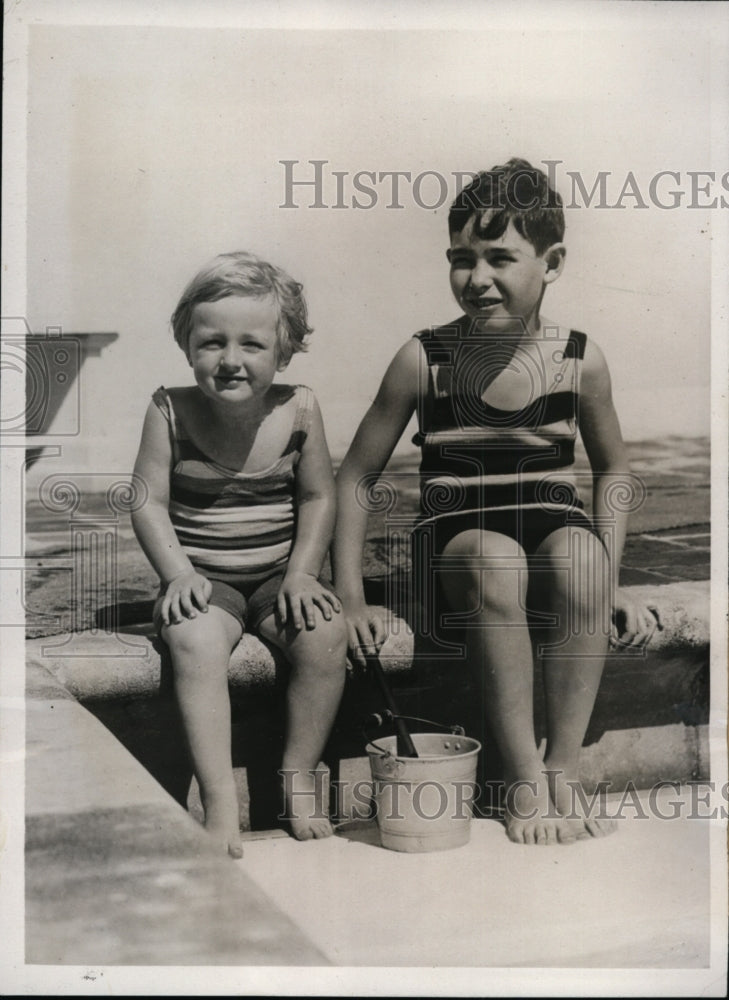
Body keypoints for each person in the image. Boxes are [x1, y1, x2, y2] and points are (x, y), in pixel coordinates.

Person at [333, 158, 659, 846]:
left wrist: (612, 577)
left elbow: (613, 469)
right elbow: (355, 475)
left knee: (581, 565)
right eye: (460, 258)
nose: (476, 278)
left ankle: (561, 767)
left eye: (499, 258)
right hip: (459, 534)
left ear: (552, 261)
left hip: (549, 519)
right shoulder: (423, 358)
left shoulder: (578, 359)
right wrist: (350, 596)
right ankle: (518, 776)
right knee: (493, 559)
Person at [131, 251, 347, 857]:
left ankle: (299, 777)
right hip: (205, 579)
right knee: (194, 641)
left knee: (327, 637)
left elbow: (318, 494)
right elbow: (146, 502)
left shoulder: (299, 407)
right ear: (186, 344)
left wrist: (304, 573)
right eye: (211, 343)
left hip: (281, 577)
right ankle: (219, 800)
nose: (230, 361)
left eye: (251, 345)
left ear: (283, 351)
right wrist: (177, 576)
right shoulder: (169, 409)